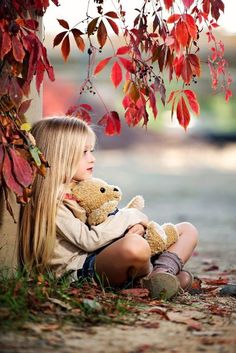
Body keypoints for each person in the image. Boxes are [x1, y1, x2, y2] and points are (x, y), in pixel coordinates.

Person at [19, 117, 198, 299]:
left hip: (104, 254)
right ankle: (153, 280)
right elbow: (88, 240)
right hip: (81, 269)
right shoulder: (52, 202)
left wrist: (134, 228)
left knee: (187, 230)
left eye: (92, 151)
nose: (92, 158)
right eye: (84, 152)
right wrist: (130, 217)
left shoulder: (83, 188)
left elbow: (106, 223)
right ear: (59, 156)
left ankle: (159, 274)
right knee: (135, 246)